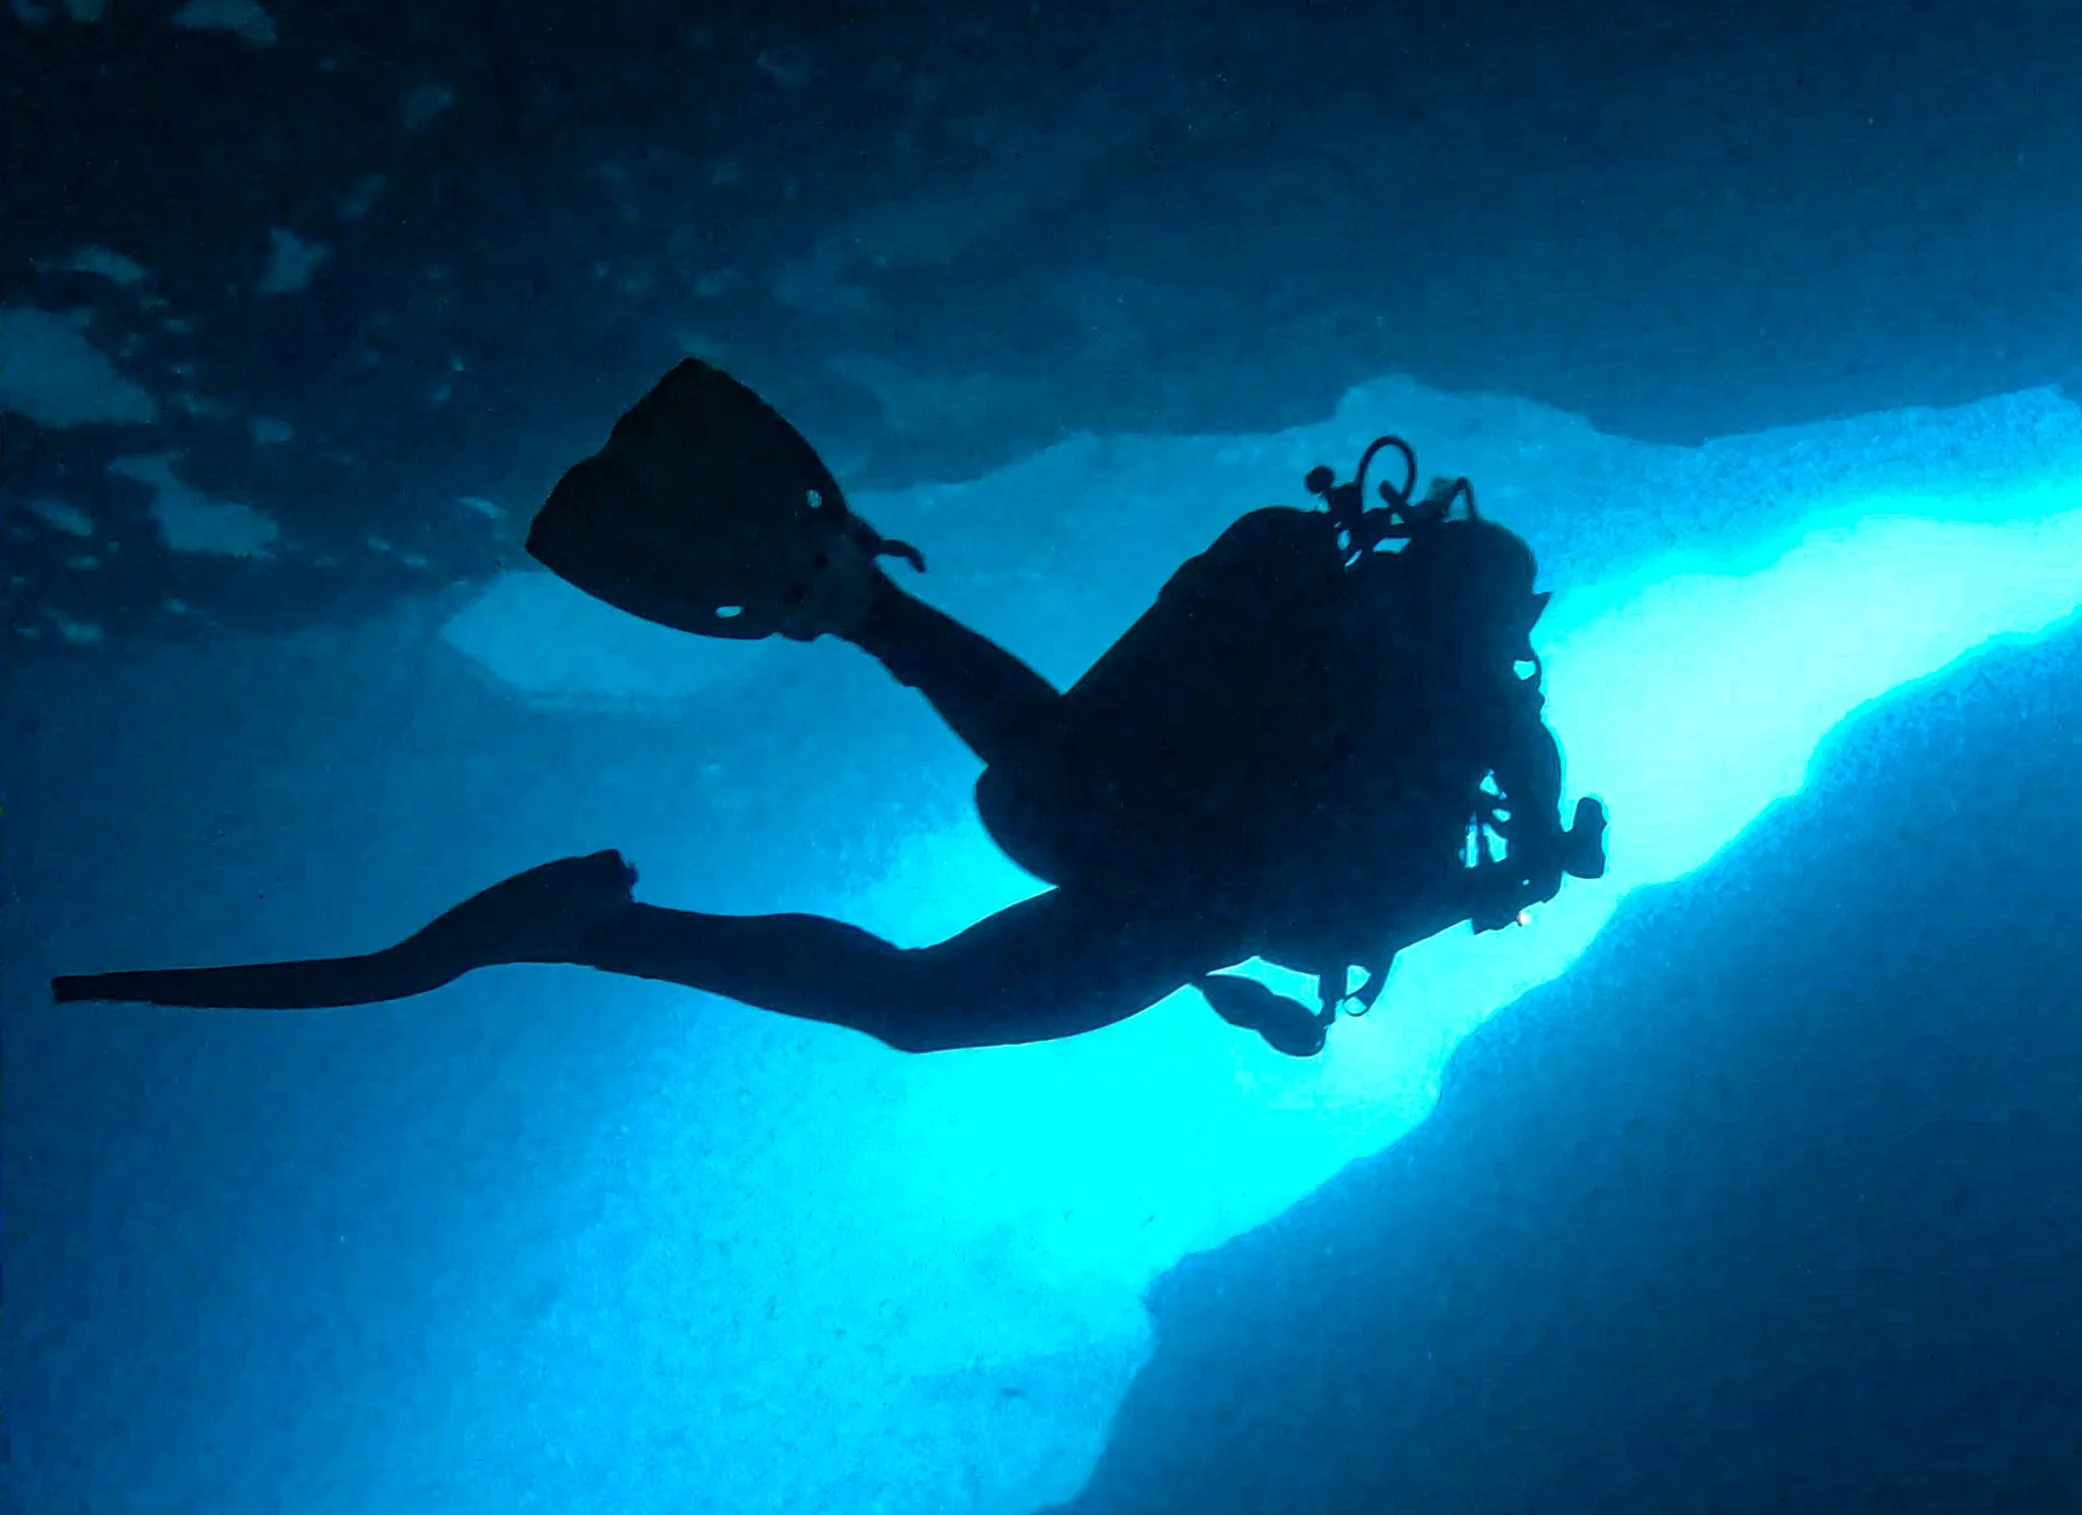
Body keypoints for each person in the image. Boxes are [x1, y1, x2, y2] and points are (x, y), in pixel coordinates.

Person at [54, 363, 1605, 1059]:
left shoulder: (1353, 638)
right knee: (922, 1007)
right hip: (1174, 875)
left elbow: (1182, 718)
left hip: (1098, 803)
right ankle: (589, 926)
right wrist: (1513, 875)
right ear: (1506, 624)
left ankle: (849, 600)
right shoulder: (1489, 727)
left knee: (1060, 794)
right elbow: (1401, 893)